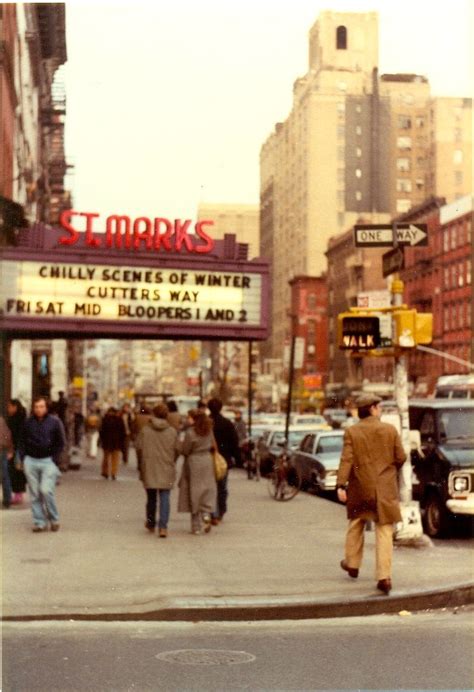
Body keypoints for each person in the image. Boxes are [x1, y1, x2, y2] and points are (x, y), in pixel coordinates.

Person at [336, 393, 406, 595]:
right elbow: (400, 457)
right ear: (374, 409)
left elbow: (346, 460)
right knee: (384, 531)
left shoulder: (352, 432)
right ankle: (384, 577)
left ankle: (352, 563)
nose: (380, 410)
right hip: (385, 488)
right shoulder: (390, 430)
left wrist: (341, 484)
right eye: (379, 407)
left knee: (356, 524)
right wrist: (388, 470)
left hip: (360, 486)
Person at [19, 397, 65, 531]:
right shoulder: (28, 423)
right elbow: (21, 441)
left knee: (46, 490)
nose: (39, 409)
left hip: (48, 461)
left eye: (41, 406)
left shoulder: (55, 422)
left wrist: (54, 459)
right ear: (33, 408)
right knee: (34, 493)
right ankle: (39, 522)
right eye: (36, 407)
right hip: (31, 461)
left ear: (46, 408)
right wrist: (23, 458)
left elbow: (61, 442)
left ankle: (54, 518)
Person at [135, 404, 180, 538]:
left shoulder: (145, 431)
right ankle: (163, 527)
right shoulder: (172, 431)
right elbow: (178, 449)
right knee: (165, 497)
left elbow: (139, 448)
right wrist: (172, 460)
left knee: (151, 497)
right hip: (166, 466)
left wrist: (141, 464)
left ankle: (150, 522)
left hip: (150, 466)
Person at [177, 409, 217, 535]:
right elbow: (213, 445)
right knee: (207, 489)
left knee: (194, 491)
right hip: (207, 460)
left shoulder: (190, 433)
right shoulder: (209, 431)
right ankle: (206, 513)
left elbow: (185, 450)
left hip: (193, 462)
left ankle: (196, 526)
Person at [207, 397, 240, 525]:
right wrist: (237, 459)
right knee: (222, 487)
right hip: (224, 460)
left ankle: (212, 512)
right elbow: (234, 442)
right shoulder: (227, 423)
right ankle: (220, 511)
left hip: (208, 458)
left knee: (210, 487)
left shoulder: (205, 423)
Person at [6, 399, 27, 504]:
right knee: (14, 471)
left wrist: (14, 449)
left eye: (10, 406)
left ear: (15, 407)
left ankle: (18, 494)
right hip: (13, 448)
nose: (8, 409)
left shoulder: (19, 419)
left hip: (17, 449)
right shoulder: (12, 418)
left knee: (17, 471)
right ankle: (16, 493)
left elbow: (18, 436)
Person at [99, 408, 126, 480]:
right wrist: (121, 442)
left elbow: (101, 431)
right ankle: (113, 473)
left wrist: (101, 440)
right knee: (115, 459)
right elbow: (123, 432)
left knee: (106, 458)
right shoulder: (119, 420)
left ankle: (105, 472)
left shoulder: (105, 419)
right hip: (116, 442)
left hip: (106, 442)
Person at [132, 406, 152, 473]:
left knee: (139, 451)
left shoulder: (137, 417)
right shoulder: (151, 417)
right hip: (148, 436)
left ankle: (139, 464)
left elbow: (133, 426)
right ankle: (145, 464)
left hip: (139, 435)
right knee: (146, 451)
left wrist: (133, 434)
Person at [1, 416, 14, 509]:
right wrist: (10, 450)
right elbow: (8, 436)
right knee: (5, 476)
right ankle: (7, 500)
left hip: (2, 451)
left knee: (5, 476)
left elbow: (7, 436)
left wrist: (10, 450)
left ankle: (7, 499)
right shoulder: (1, 420)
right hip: (2, 451)